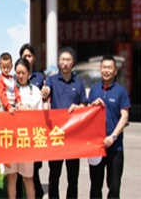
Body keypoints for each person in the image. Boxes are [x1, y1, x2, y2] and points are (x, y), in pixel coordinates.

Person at [40, 46, 87, 199]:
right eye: (62, 60)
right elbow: (46, 92)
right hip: (57, 135)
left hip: (73, 136)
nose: (65, 63)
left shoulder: (79, 84)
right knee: (54, 175)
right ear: (59, 62)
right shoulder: (52, 80)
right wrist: (45, 93)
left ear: (73, 62)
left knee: (73, 177)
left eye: (68, 60)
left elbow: (84, 105)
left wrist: (79, 107)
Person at [88, 55, 130, 199]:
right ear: (100, 70)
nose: (106, 70)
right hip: (96, 147)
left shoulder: (121, 91)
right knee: (95, 186)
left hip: (115, 147)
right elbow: (87, 114)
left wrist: (113, 137)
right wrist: (92, 105)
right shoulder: (94, 90)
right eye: (104, 67)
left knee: (114, 187)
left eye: (109, 68)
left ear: (115, 71)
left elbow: (124, 116)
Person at [4, 58, 43, 199]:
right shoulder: (9, 89)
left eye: (23, 73)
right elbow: (0, 108)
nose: (20, 76)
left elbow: (40, 116)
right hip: (11, 140)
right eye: (18, 73)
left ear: (29, 73)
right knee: (12, 177)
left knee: (28, 178)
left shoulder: (35, 91)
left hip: (27, 140)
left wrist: (27, 109)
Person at [19, 42, 45, 198]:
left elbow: (43, 104)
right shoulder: (14, 82)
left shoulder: (40, 78)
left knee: (33, 172)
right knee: (17, 175)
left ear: (34, 58)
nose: (27, 58)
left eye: (29, 56)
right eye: (24, 56)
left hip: (32, 134)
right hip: (17, 134)